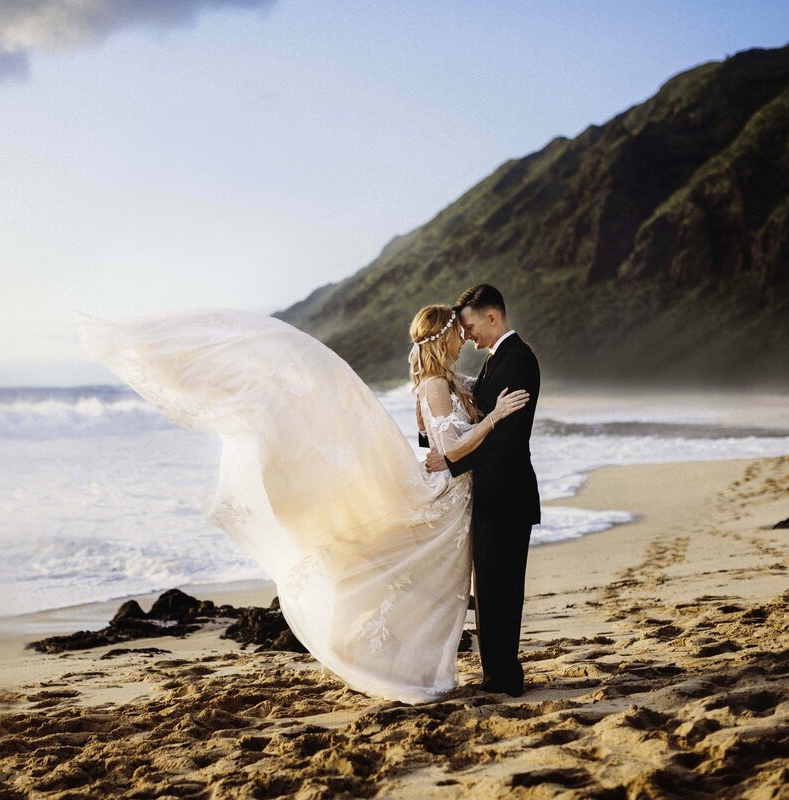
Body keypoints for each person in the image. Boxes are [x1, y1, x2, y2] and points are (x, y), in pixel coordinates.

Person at [73, 305, 527, 704]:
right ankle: (400, 666)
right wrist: (492, 418)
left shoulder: (445, 379)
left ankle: (426, 665)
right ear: (445, 337)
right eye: (458, 331)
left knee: (441, 592)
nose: (465, 338)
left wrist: (475, 417)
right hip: (446, 500)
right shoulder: (433, 383)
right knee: (429, 587)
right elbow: (448, 445)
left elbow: (436, 438)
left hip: (457, 496)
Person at [425, 284, 540, 697]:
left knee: (502, 589)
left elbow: (507, 438)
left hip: (508, 494)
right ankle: (497, 674)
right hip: (492, 494)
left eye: (471, 326)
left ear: (493, 317)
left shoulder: (519, 360)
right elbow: (460, 420)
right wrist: (442, 449)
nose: (467, 335)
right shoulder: (495, 362)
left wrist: (454, 461)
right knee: (489, 589)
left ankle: (504, 679)